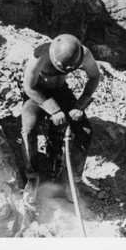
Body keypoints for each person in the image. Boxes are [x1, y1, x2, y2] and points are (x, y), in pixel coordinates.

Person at [21, 34, 100, 205]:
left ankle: (72, 180)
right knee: (28, 128)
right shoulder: (40, 55)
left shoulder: (84, 54)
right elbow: (28, 87)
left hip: (61, 91)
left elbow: (94, 77)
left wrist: (80, 105)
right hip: (38, 93)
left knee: (85, 132)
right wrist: (53, 109)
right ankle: (32, 178)